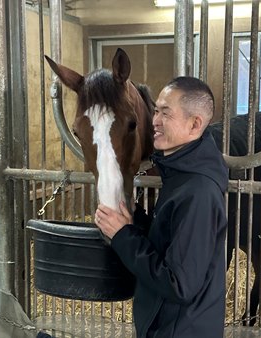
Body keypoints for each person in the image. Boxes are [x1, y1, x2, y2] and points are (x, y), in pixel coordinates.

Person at [95, 76, 228, 337]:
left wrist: (124, 237)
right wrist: (137, 224)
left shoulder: (198, 192)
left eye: (165, 113)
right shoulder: (180, 175)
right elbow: (170, 243)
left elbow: (179, 284)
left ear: (195, 124)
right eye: (156, 110)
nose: (155, 121)